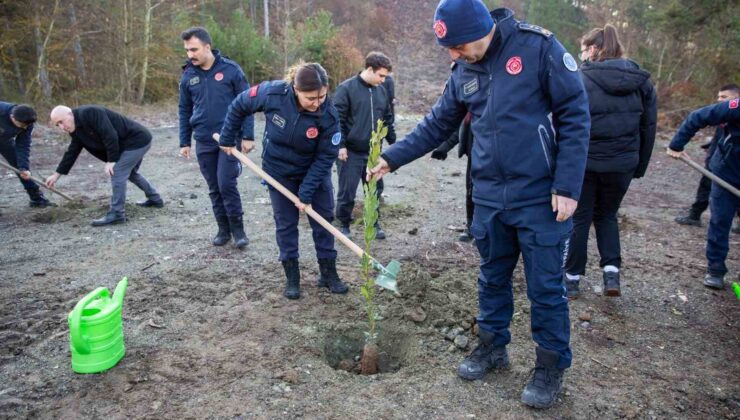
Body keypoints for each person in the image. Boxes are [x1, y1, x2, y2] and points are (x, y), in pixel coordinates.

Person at [367, 1, 590, 409]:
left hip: (541, 196)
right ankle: (492, 347)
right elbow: (438, 123)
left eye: (457, 45)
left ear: (480, 28)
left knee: (545, 289)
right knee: (491, 278)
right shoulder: (463, 70)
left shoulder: (538, 49)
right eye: (448, 48)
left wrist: (568, 185)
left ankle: (550, 367)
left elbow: (576, 114)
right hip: (489, 196)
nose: (452, 55)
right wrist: (392, 157)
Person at [218, 62, 348, 300]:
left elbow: (326, 155)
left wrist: (307, 192)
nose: (317, 102)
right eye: (310, 97)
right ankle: (292, 278)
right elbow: (239, 105)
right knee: (285, 224)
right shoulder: (273, 93)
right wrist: (228, 136)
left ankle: (328, 274)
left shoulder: (328, 113)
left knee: (324, 220)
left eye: (321, 96)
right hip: (278, 172)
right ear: (295, 89)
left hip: (313, 171)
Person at [562, 25, 657, 299]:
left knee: (580, 218)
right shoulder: (642, 82)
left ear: (593, 49)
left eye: (583, 49)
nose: (582, 54)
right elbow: (648, 127)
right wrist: (640, 165)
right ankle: (611, 275)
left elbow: (567, 124)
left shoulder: (580, 79)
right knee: (607, 216)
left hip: (586, 163)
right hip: (622, 164)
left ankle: (571, 280)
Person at [179, 27, 253, 249]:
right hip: (203, 139)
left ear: (207, 47)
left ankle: (238, 230)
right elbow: (184, 109)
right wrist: (184, 141)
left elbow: (247, 102)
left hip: (229, 139)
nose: (189, 55)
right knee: (214, 186)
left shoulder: (231, 70)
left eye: (194, 49)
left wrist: (248, 135)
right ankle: (223, 229)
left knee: (226, 183)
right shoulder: (188, 75)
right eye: (187, 50)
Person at [45, 105, 163, 226]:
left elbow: (109, 134)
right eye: (57, 125)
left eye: (61, 122)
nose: (61, 127)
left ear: (70, 114)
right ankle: (155, 199)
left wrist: (111, 161)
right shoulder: (76, 130)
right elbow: (72, 152)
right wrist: (56, 175)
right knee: (130, 173)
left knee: (117, 172)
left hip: (137, 140)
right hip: (125, 145)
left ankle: (117, 214)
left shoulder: (90, 113)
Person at [667, 97, 740, 290]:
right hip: (727, 174)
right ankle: (715, 269)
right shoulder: (736, 107)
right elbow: (697, 117)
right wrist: (676, 145)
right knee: (721, 219)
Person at [334, 52, 396, 239]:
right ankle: (344, 224)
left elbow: (387, 118)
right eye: (381, 75)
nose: (383, 80)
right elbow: (336, 119)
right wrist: (340, 145)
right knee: (347, 191)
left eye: (385, 76)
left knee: (375, 190)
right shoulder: (346, 89)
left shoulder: (382, 91)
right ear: (369, 69)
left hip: (373, 153)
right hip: (350, 152)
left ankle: (373, 223)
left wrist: (393, 141)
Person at [674, 84, 740, 232]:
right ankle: (695, 214)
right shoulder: (724, 112)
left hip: (732, 162)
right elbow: (702, 119)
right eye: (718, 97)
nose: (719, 100)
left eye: (724, 97)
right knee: (708, 182)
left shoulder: (734, 110)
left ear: (735, 97)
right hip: (719, 159)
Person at [0, 102, 54, 207]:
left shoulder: (27, 123)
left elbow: (23, 145)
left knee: (20, 167)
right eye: (21, 126)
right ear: (12, 117)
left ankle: (36, 199)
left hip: (4, 141)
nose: (24, 128)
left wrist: (24, 167)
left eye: (26, 126)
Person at [431, 112, 474, 242]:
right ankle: (471, 227)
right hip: (473, 156)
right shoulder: (471, 107)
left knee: (484, 194)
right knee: (471, 192)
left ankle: (484, 231)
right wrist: (444, 148)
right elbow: (459, 129)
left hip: (489, 159)